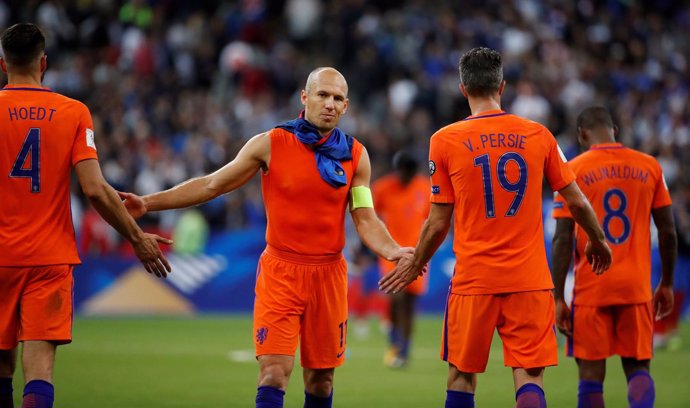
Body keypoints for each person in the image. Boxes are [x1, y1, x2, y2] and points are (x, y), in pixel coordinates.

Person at [118, 67, 414, 408]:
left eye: (337, 99)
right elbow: (212, 184)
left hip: (329, 276)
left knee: (321, 380)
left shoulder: (357, 156)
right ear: (304, 98)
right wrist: (148, 202)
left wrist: (392, 250)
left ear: (346, 106)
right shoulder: (270, 143)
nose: (329, 104)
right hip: (281, 272)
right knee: (274, 372)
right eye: (322, 95)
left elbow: (365, 218)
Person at [379, 47, 612, 408]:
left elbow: (438, 221)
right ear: (502, 87)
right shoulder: (539, 135)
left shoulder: (444, 140)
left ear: (462, 89)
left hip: (474, 280)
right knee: (530, 376)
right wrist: (597, 240)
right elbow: (578, 201)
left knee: (461, 376)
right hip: (530, 280)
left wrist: (415, 262)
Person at [0, 23, 171, 408]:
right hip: (49, 258)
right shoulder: (72, 112)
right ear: (44, 63)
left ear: (2, 63)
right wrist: (137, 238)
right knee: (39, 369)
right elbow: (95, 189)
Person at [551, 106, 677, 408]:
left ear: (582, 134)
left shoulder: (572, 171)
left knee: (591, 374)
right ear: (614, 131)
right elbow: (669, 232)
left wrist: (558, 298)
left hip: (592, 289)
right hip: (635, 288)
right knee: (637, 369)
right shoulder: (649, 166)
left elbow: (562, 239)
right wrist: (668, 284)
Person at [372, 150, 430, 368]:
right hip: (392, 252)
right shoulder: (382, 188)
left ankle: (404, 349)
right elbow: (370, 217)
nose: (408, 177)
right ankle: (395, 342)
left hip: (418, 254)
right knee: (396, 296)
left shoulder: (424, 188)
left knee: (410, 304)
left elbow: (431, 219)